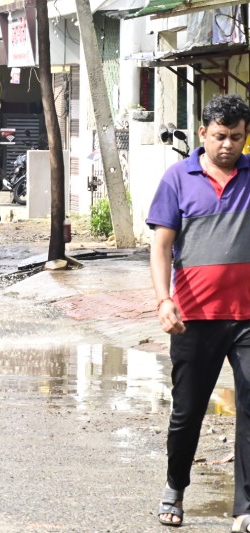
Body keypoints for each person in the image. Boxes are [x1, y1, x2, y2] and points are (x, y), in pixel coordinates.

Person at [147, 93, 250, 530]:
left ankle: (245, 507)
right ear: (204, 133)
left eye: (238, 138)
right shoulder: (177, 178)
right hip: (195, 317)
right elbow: (161, 247)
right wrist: (163, 300)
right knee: (187, 410)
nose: (229, 145)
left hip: (247, 318)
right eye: (221, 136)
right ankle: (175, 488)